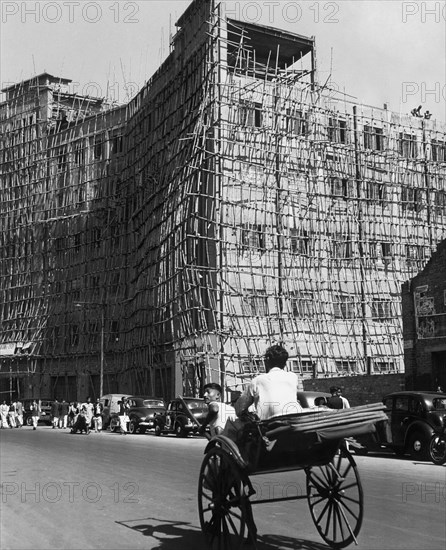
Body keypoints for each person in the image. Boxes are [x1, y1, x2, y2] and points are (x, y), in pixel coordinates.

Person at [235, 344, 302, 421]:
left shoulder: (257, 381)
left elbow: (239, 408)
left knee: (233, 421)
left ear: (267, 360)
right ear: (284, 364)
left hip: (268, 426)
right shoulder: (293, 377)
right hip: (294, 421)